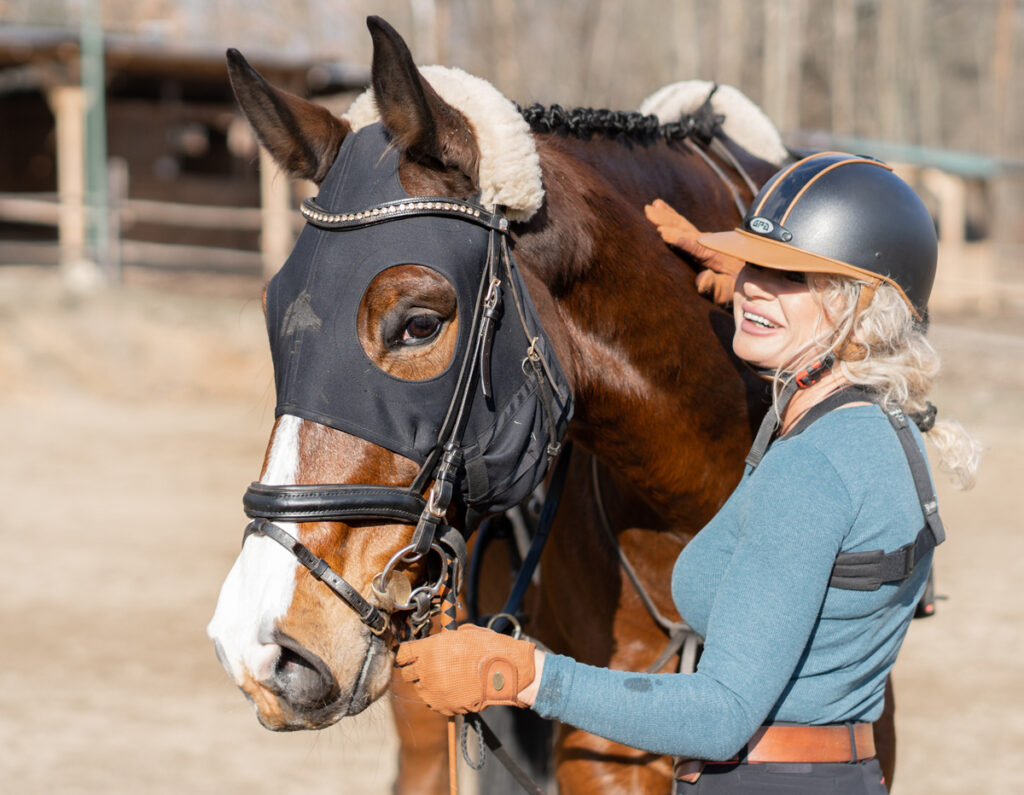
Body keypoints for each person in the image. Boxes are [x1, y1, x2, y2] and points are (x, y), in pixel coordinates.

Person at [395, 152, 981, 793]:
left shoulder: (811, 467)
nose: (755, 284)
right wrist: (782, 308)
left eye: (790, 275)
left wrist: (518, 674)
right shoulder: (882, 430)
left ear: (860, 311)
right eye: (754, 265)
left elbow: (721, 716)